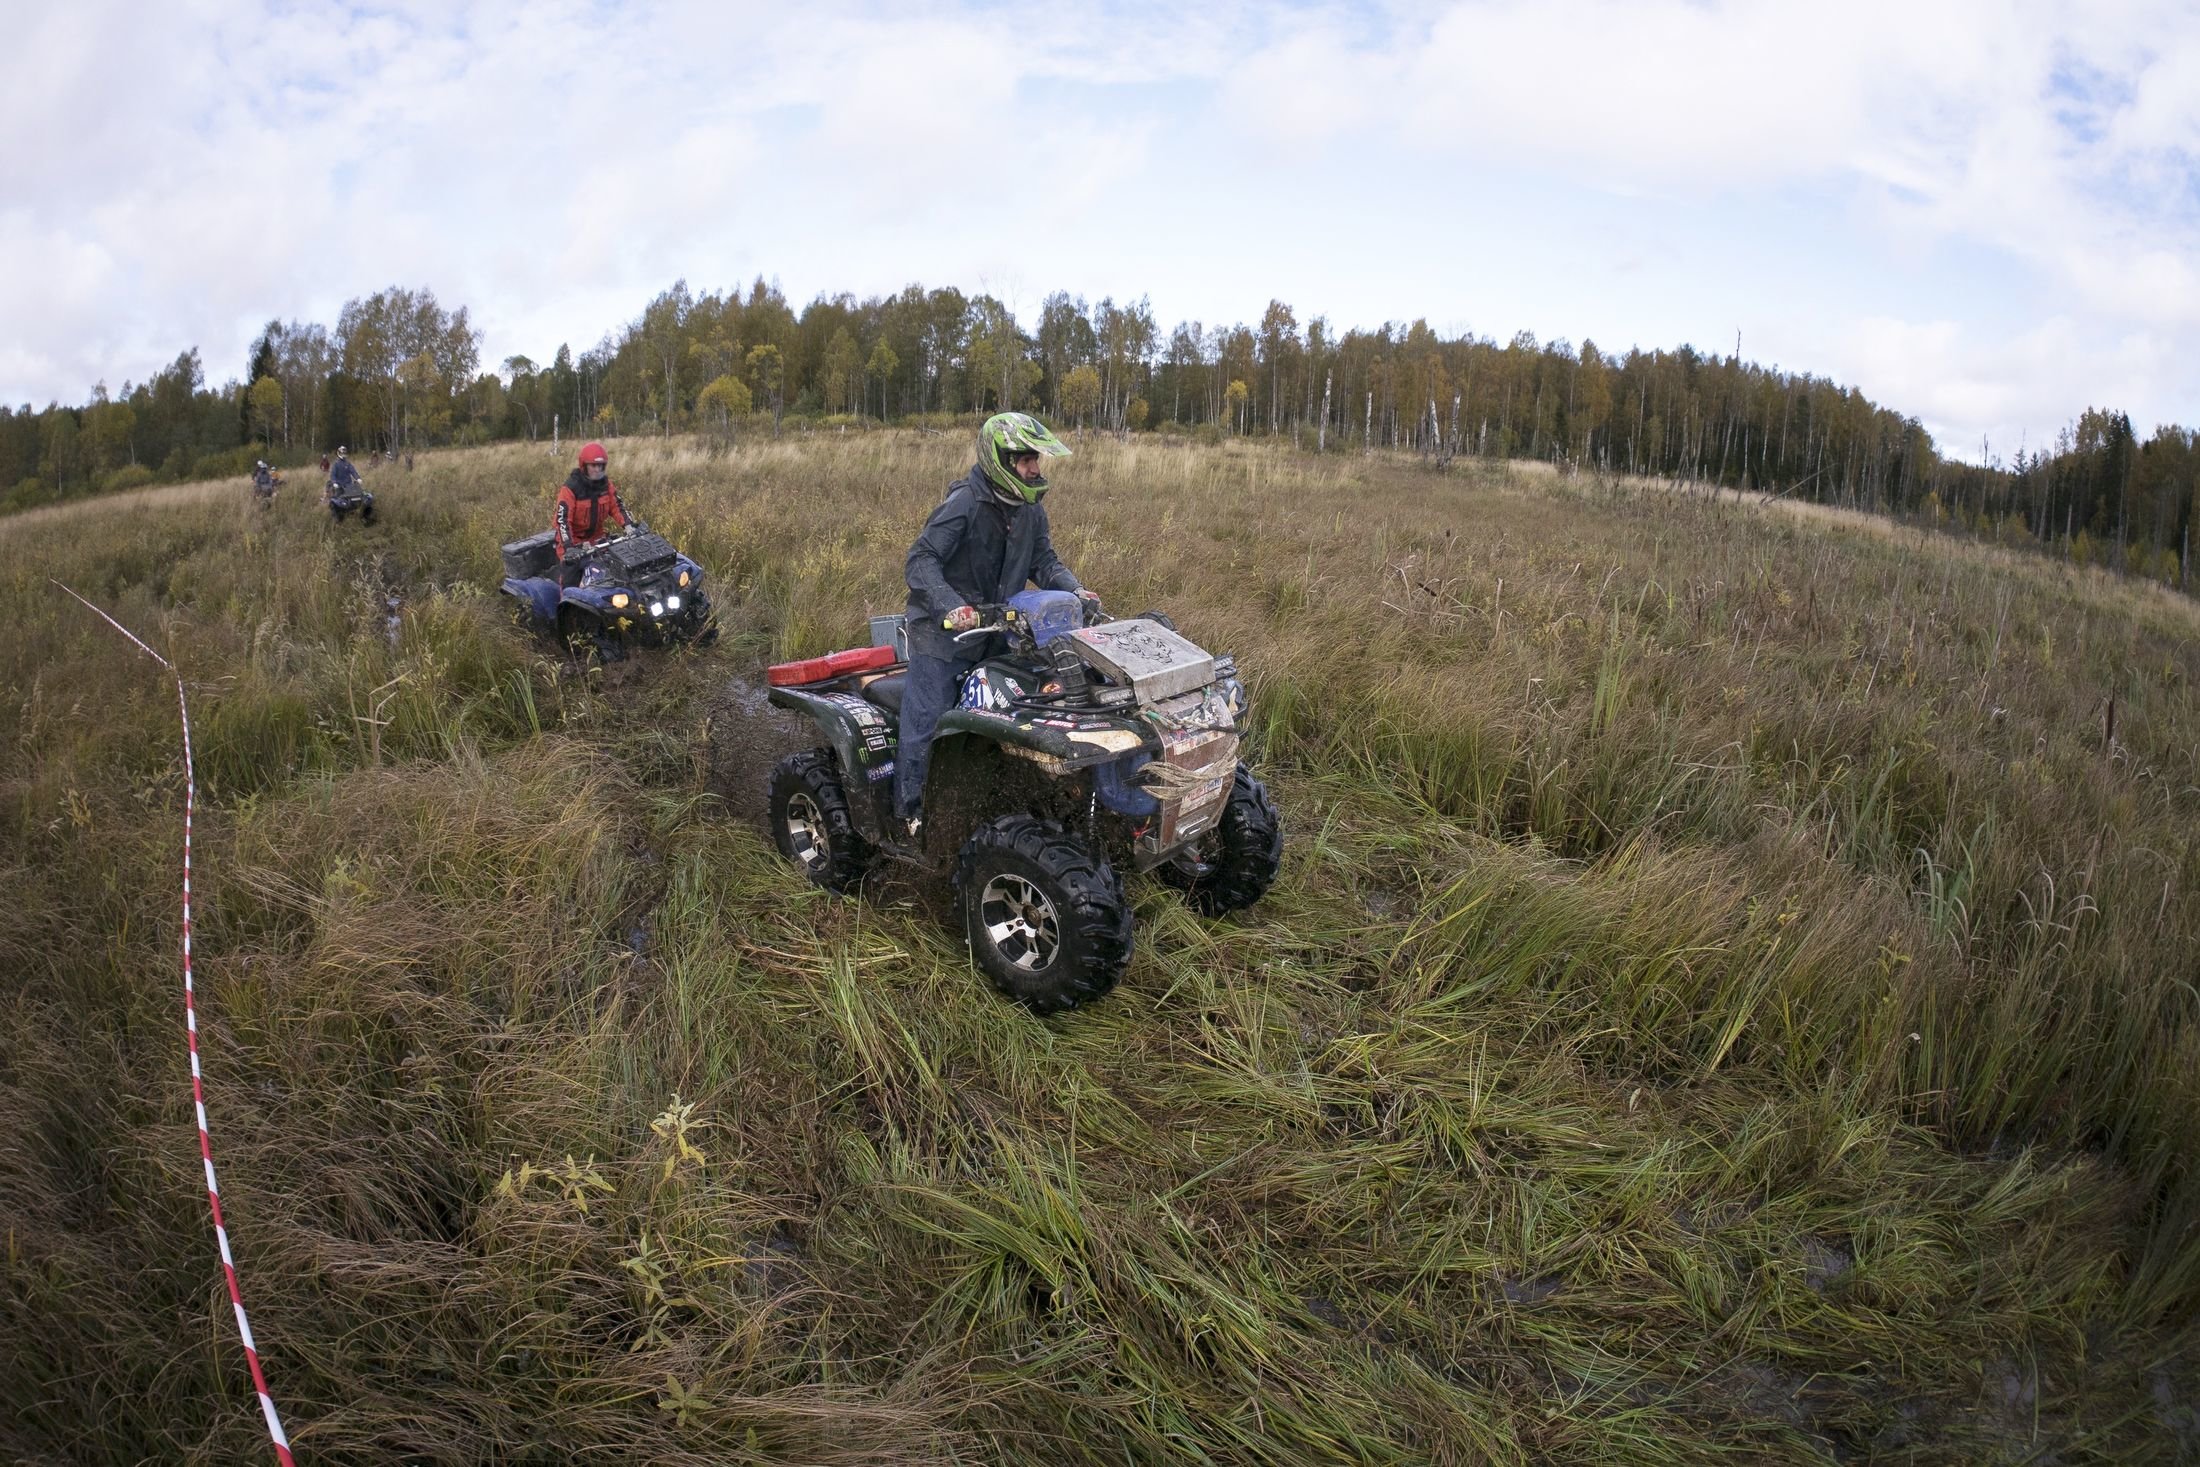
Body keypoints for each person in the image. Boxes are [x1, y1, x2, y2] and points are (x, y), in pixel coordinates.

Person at [895, 411, 1097, 836]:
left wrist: (1076, 592)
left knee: (1025, 710)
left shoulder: (1029, 510)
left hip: (998, 632)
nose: (1035, 469)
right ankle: (911, 815)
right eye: (1027, 461)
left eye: (1036, 461)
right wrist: (949, 606)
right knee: (929, 722)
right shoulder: (965, 502)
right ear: (1001, 460)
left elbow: (1044, 561)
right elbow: (921, 560)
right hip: (943, 637)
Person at [552, 441, 631, 587]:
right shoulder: (571, 488)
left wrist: (629, 526)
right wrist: (570, 547)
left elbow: (617, 507)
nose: (597, 469)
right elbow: (562, 520)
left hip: (597, 538)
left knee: (618, 568)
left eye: (600, 466)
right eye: (593, 465)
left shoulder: (606, 486)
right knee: (571, 577)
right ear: (584, 466)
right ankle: (567, 606)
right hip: (572, 541)